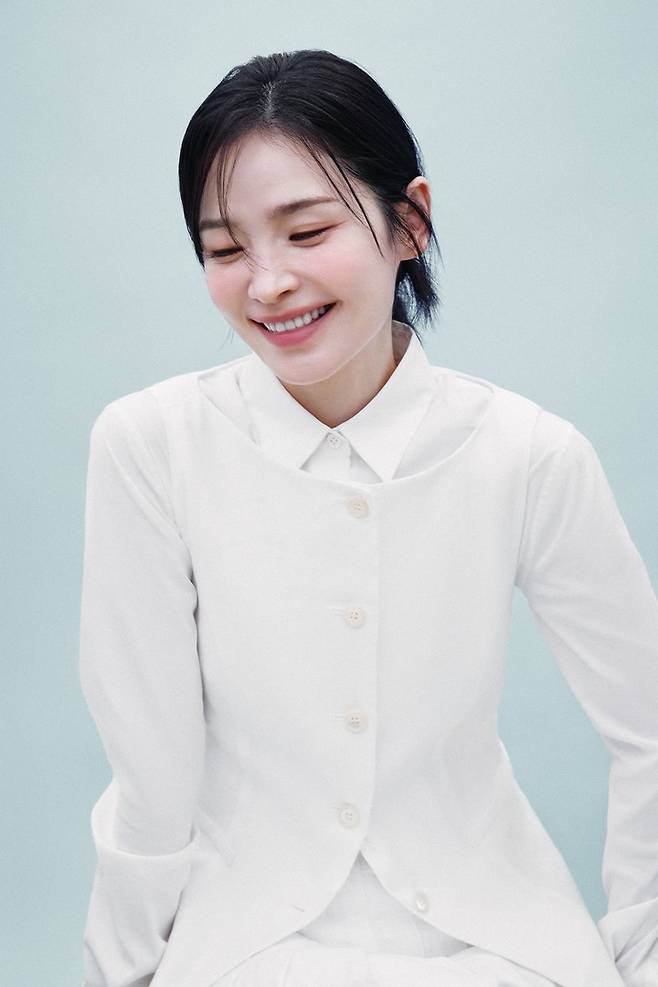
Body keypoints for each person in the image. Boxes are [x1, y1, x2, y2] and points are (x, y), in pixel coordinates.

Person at [78, 50, 658, 987]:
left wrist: (642, 958)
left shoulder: (527, 453)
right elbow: (150, 768)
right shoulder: (151, 446)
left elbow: (649, 729)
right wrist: (124, 970)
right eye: (225, 249)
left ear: (410, 222)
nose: (267, 282)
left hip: (502, 939)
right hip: (244, 944)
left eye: (307, 231)